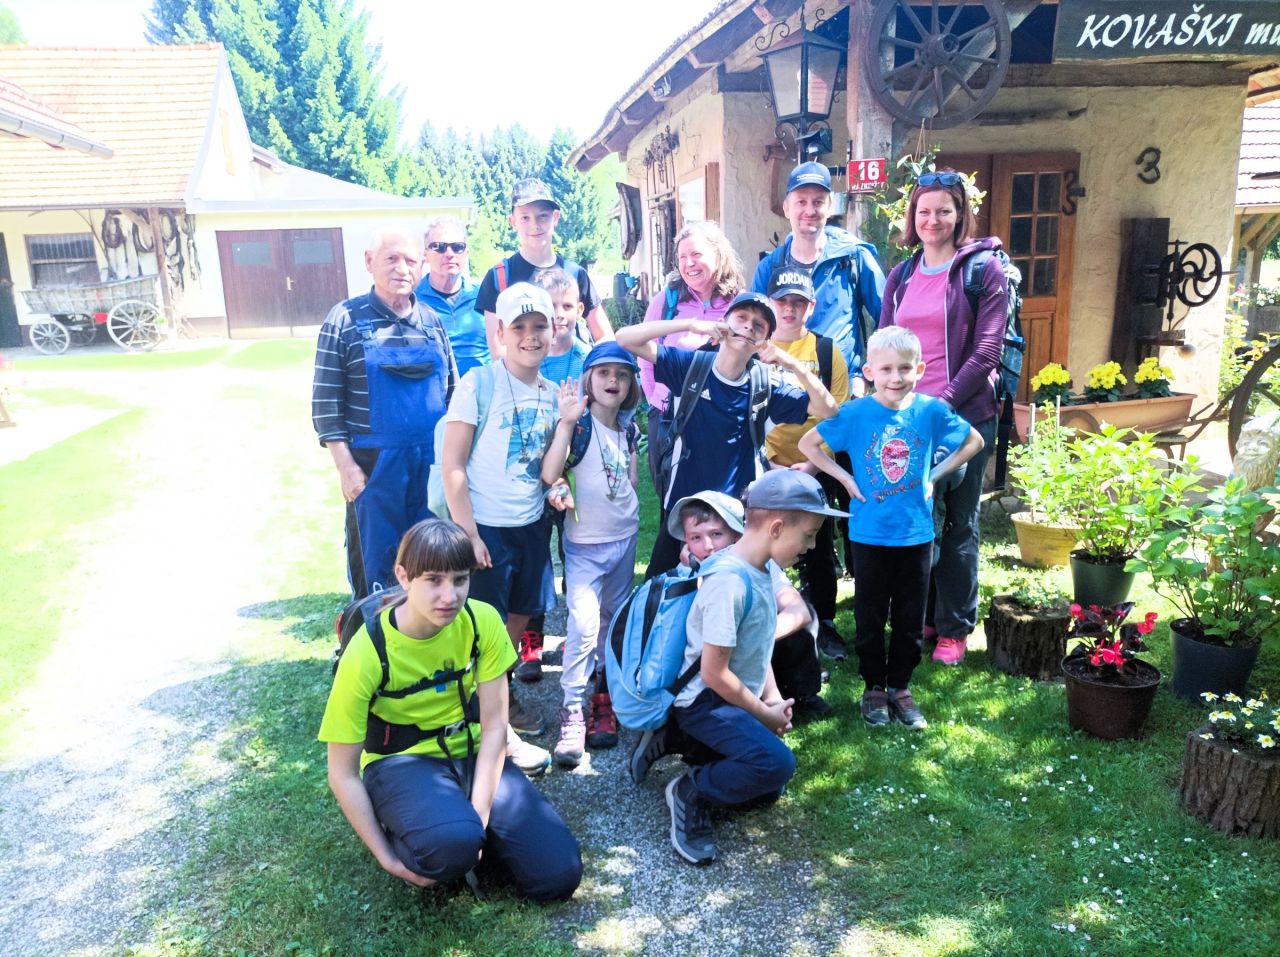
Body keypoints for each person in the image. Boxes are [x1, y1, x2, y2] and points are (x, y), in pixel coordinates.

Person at [319, 518, 582, 900]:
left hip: (472, 752)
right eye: (433, 580)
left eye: (460, 580)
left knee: (559, 875)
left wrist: (480, 816)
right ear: (403, 576)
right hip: (401, 763)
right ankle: (435, 832)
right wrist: (388, 860)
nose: (450, 596)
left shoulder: (481, 621)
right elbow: (342, 773)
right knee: (451, 848)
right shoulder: (367, 651)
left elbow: (495, 727)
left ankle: (459, 828)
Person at [649, 470, 844, 865]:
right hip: (704, 701)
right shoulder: (730, 583)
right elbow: (713, 674)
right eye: (808, 535)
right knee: (776, 764)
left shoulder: (759, 570)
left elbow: (756, 648)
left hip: (729, 696)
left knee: (768, 780)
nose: (810, 546)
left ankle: (688, 746)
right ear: (776, 528)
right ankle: (689, 790)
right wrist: (763, 715)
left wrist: (772, 699)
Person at [800, 327, 984, 729]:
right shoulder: (855, 414)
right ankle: (873, 688)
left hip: (916, 534)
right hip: (868, 535)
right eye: (885, 369)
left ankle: (900, 686)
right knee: (868, 617)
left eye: (904, 368)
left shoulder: (930, 411)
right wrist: (845, 480)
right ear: (869, 372)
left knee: (909, 618)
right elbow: (808, 445)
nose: (895, 378)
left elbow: (973, 441)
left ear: (920, 369)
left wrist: (934, 474)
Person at [879, 168, 1008, 665]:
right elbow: (884, 345)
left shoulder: (983, 271)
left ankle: (954, 627)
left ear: (960, 215)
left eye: (943, 211)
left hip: (964, 416)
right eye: (923, 211)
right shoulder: (901, 276)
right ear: (913, 216)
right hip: (908, 417)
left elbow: (987, 351)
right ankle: (925, 615)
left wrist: (942, 403)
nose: (932, 220)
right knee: (917, 519)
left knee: (958, 523)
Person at [616, 292, 838, 577]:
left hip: (734, 514)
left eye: (759, 325)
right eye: (741, 318)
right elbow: (625, 338)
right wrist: (690, 325)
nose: (748, 327)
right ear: (724, 322)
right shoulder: (691, 367)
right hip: (684, 507)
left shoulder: (765, 385)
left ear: (765, 340)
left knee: (730, 589)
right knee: (661, 586)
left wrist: (793, 364)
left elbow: (828, 410)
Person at [440, 281, 558, 769]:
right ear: (501, 334)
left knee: (518, 619)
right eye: (519, 327)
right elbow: (453, 465)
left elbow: (548, 467)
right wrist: (468, 534)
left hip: (532, 525)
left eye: (539, 326)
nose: (530, 336)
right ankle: (485, 719)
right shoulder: (478, 384)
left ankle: (496, 696)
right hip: (487, 527)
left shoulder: (553, 394)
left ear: (553, 331)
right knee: (483, 625)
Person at [312, 226, 458, 599]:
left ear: (422, 265)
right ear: (369, 262)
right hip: (374, 470)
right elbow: (326, 403)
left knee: (434, 565)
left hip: (430, 467)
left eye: (411, 260)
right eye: (391, 259)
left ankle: (430, 634)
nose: (402, 269)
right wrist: (346, 468)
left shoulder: (431, 321)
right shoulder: (344, 319)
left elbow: (453, 395)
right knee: (378, 574)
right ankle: (372, 634)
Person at [540, 342, 642, 766]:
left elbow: (630, 481)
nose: (613, 381)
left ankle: (604, 699)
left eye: (622, 374)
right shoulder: (578, 426)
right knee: (582, 625)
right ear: (588, 379)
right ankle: (572, 710)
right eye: (603, 373)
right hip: (584, 545)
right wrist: (565, 423)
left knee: (611, 623)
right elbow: (550, 472)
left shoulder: (630, 430)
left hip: (624, 538)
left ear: (631, 384)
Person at [668, 490, 830, 720]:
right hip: (705, 671)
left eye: (716, 534)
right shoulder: (685, 576)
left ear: (736, 535)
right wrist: (696, 574)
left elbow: (800, 612)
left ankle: (800, 694)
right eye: (695, 537)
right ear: (685, 543)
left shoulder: (757, 561)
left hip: (746, 650)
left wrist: (751, 634)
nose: (708, 546)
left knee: (800, 629)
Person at [764, 263, 852, 661]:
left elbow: (839, 418)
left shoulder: (826, 351)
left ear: (811, 306)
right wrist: (769, 466)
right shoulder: (757, 350)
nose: (789, 309)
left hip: (816, 466)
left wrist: (814, 466)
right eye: (782, 301)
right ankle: (769, 619)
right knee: (766, 540)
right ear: (770, 303)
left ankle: (824, 622)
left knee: (817, 546)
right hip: (767, 465)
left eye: (798, 302)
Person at [752, 161, 885, 375]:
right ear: (786, 208)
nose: (809, 210)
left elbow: (888, 317)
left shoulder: (853, 257)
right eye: (801, 202)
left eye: (818, 202)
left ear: (830, 206)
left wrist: (868, 374)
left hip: (841, 386)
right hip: (782, 386)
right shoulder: (769, 267)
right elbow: (755, 328)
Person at [474, 178, 612, 361]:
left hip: (573, 376)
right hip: (521, 378)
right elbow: (498, 351)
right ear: (512, 222)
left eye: (543, 216)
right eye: (525, 218)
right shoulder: (499, 278)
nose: (535, 225)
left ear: (555, 218)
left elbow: (606, 338)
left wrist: (592, 368)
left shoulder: (575, 274)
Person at [637, 220, 745, 411]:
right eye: (682, 257)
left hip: (720, 414)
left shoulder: (740, 303)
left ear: (718, 256)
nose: (689, 263)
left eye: (696, 254)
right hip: (668, 412)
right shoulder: (666, 301)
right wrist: (655, 400)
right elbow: (644, 354)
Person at [415, 215, 488, 377]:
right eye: (439, 247)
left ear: (466, 253)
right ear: (425, 254)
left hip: (482, 390)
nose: (449, 254)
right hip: (435, 389)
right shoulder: (411, 300)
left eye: (457, 247)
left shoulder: (486, 296)